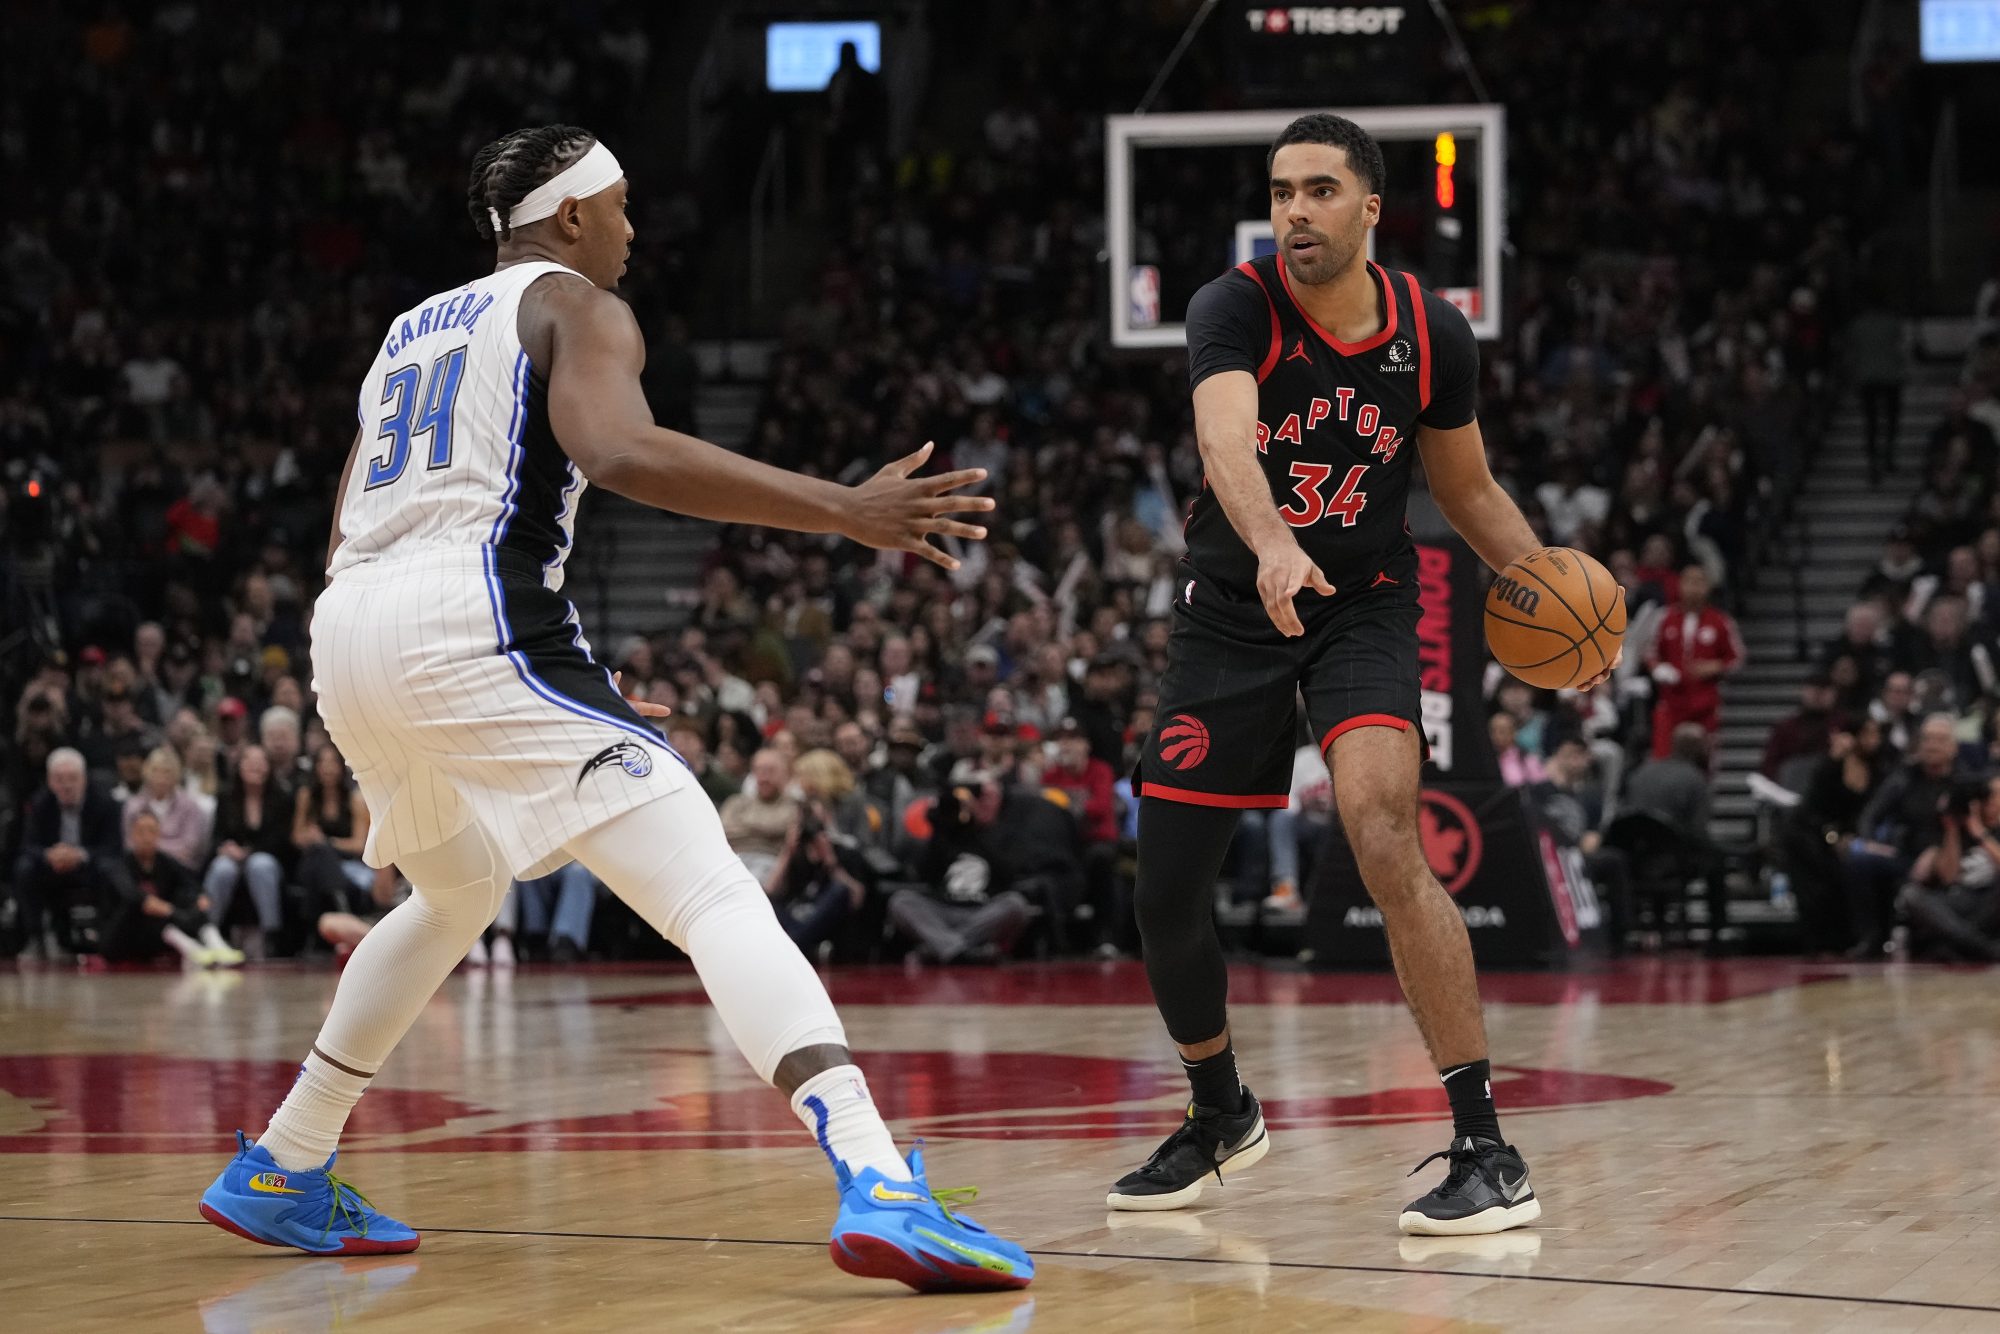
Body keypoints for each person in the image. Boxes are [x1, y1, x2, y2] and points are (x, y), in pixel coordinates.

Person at [197, 126, 1029, 1289]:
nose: (634, 230)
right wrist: (842, 508)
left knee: (457, 889)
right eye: (623, 207)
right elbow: (622, 449)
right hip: (469, 614)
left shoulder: (407, 332)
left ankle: (287, 1160)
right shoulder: (579, 307)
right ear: (574, 216)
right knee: (710, 884)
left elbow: (351, 515)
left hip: (351, 626)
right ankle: (879, 1178)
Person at [1111, 113, 1614, 1234]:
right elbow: (1222, 442)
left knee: (1384, 829)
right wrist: (1274, 540)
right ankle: (1218, 1111)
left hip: (1364, 609)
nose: (1293, 210)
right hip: (1231, 612)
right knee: (1164, 893)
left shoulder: (1430, 334)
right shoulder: (1232, 305)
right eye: (1281, 191)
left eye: (1319, 190)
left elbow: (1469, 492)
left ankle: (1484, 1145)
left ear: (1369, 206)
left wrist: (1555, 595)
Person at [1842, 713, 1965, 959]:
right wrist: (1871, 843)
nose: (1931, 745)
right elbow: (1870, 815)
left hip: (1954, 857)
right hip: (1906, 855)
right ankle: (1872, 937)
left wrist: (1936, 852)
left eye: (1939, 740)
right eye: (1927, 739)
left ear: (1953, 747)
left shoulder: (1965, 781)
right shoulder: (1904, 777)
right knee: (1857, 857)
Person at [1782, 719, 1891, 957]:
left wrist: (1854, 837)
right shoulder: (1829, 767)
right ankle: (1821, 941)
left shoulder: (1880, 770)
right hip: (1815, 834)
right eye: (1868, 734)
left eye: (1876, 735)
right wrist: (1834, 838)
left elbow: (1874, 813)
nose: (1874, 740)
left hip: (1855, 837)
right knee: (1818, 865)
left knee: (1860, 861)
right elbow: (1812, 809)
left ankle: (1865, 937)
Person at [11, 748, 123, 960]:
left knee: (110, 870)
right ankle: (35, 938)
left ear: (84, 779)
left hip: (89, 867)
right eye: (59, 779)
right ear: (50, 781)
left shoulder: (105, 802)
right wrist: (49, 854)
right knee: (24, 869)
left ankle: (106, 938)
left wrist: (79, 855)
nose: (66, 785)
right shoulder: (39, 802)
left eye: (72, 778)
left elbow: (112, 847)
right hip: (51, 867)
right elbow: (27, 846)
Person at [98, 808, 236, 965]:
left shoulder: (165, 862)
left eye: (151, 831)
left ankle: (215, 942)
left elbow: (190, 883)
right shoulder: (120, 864)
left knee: (188, 898)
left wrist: (200, 897)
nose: (146, 837)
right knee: (140, 906)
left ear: (158, 835)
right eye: (141, 832)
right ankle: (191, 948)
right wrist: (166, 909)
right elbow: (131, 894)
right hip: (121, 937)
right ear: (132, 835)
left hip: (157, 933)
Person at [204, 743, 295, 957]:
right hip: (232, 858)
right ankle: (208, 930)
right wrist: (225, 848)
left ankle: (270, 934)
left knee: (260, 865)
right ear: (239, 766)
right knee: (221, 868)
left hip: (269, 860)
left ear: (269, 767)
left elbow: (282, 841)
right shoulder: (226, 797)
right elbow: (216, 836)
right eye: (250, 762)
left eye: (261, 763)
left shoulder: (282, 797)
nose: (256, 767)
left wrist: (248, 852)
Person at [1645, 564, 1743, 759]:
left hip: (1704, 702)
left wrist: (1717, 666)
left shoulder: (1721, 621)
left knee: (1704, 756)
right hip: (1672, 700)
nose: (1693, 588)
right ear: (1679, 585)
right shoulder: (1665, 618)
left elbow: (1737, 657)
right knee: (1663, 753)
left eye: (1699, 583)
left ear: (1707, 587)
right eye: (1689, 582)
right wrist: (1658, 668)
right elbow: (1650, 651)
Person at [1900, 775, 2000, 961]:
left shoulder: (1992, 833)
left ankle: (1955, 947)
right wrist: (1952, 829)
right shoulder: (1949, 829)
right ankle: (1982, 948)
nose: (1993, 803)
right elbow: (1948, 878)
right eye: (1991, 797)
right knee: (1910, 895)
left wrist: (1980, 833)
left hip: (1988, 903)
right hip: (1955, 903)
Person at [291, 743, 375, 920]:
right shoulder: (306, 795)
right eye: (322, 763)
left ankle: (312, 926)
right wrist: (310, 837)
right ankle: (341, 910)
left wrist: (327, 841)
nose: (327, 768)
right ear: (315, 767)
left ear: (342, 766)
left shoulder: (355, 799)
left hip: (347, 864)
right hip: (312, 860)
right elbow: (296, 837)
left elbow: (360, 845)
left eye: (333, 763)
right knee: (318, 856)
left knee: (322, 853)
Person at [122, 745, 212, 870]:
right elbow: (130, 844)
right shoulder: (133, 806)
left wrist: (150, 848)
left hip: (179, 868)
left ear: (176, 775)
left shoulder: (190, 806)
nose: (161, 778)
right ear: (147, 772)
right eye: (156, 771)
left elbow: (189, 847)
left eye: (167, 772)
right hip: (141, 868)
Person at [719, 747, 800, 884]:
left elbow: (778, 826)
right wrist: (764, 834)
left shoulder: (793, 806)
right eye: (759, 771)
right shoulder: (736, 802)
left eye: (770, 771)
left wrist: (742, 824)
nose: (763, 778)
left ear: (786, 774)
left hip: (770, 864)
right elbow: (723, 832)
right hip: (732, 860)